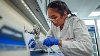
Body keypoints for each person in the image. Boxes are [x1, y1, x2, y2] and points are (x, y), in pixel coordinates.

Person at [28, 1, 93, 56]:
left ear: (64, 14)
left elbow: (87, 48)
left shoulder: (76, 22)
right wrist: (36, 44)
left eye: (54, 17)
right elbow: (46, 43)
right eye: (50, 18)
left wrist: (59, 42)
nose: (52, 21)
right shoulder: (54, 26)